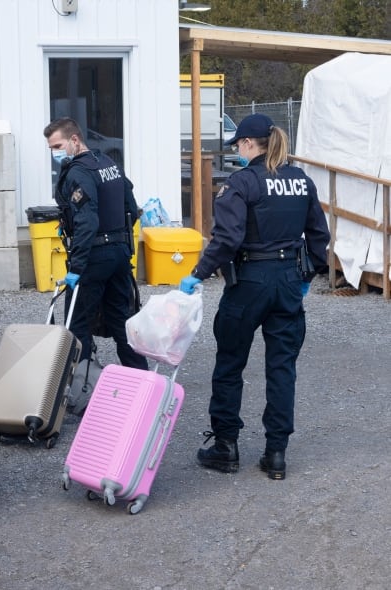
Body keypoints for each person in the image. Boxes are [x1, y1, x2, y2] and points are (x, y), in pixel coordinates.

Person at [179, 113, 330, 480]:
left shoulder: (242, 183)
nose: (238, 152)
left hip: (249, 282)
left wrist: (196, 274)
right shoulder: (301, 181)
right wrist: (306, 274)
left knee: (231, 362)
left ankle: (226, 446)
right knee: (282, 368)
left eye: (239, 146)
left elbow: (227, 240)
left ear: (248, 143)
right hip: (288, 281)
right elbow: (319, 237)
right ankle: (276, 453)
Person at [43, 117, 147, 373]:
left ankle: (83, 389)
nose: (54, 153)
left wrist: (76, 268)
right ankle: (141, 379)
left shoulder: (78, 173)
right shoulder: (109, 163)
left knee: (78, 326)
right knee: (122, 320)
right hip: (120, 253)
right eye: (51, 148)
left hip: (94, 257)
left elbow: (86, 221)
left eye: (57, 146)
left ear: (74, 140)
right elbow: (132, 209)